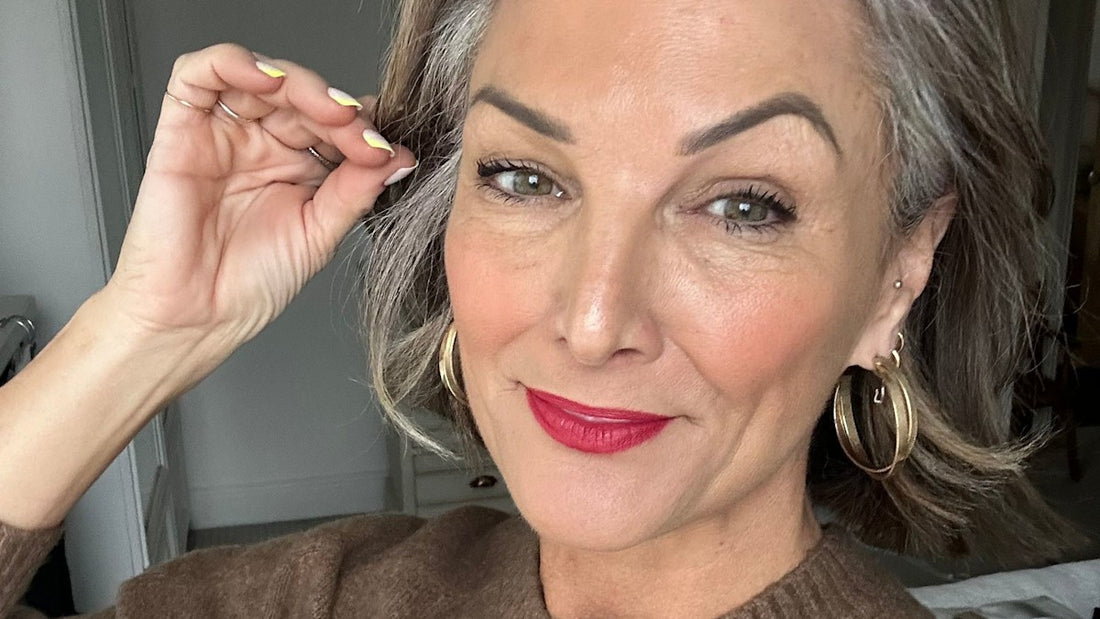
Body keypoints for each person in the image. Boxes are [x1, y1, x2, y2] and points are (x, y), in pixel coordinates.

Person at [0, 0, 1078, 616]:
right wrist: (138, 335)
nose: (592, 315)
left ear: (898, 268)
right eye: (525, 178)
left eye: (743, 204)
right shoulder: (318, 599)